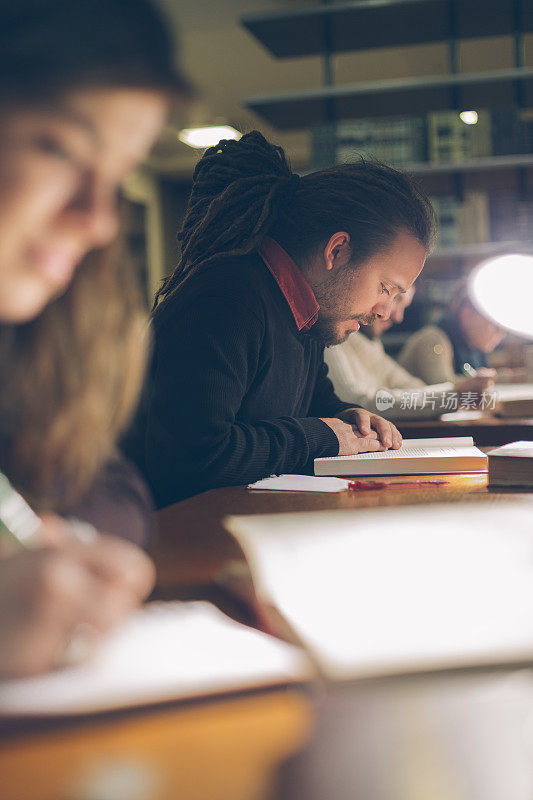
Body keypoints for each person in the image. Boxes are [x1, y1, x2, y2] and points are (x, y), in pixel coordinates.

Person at [0, 0, 188, 678]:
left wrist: (59, 545)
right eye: (58, 148)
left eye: (116, 174)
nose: (99, 220)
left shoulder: (38, 333)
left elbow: (110, 484)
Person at [138, 133, 437, 507]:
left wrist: (349, 417)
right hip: (180, 539)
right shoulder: (227, 301)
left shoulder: (309, 315)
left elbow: (314, 403)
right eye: (384, 288)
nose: (385, 310)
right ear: (338, 250)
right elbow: (193, 458)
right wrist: (328, 437)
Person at [325, 286, 495, 418]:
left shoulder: (372, 345)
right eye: (396, 299)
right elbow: (358, 403)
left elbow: (416, 388)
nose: (398, 317)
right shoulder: (331, 341)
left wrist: (456, 394)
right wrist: (455, 396)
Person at [398, 281, 502, 385]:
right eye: (495, 326)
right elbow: (442, 385)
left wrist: (510, 378)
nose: (501, 334)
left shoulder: (472, 346)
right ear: (467, 315)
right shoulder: (433, 339)